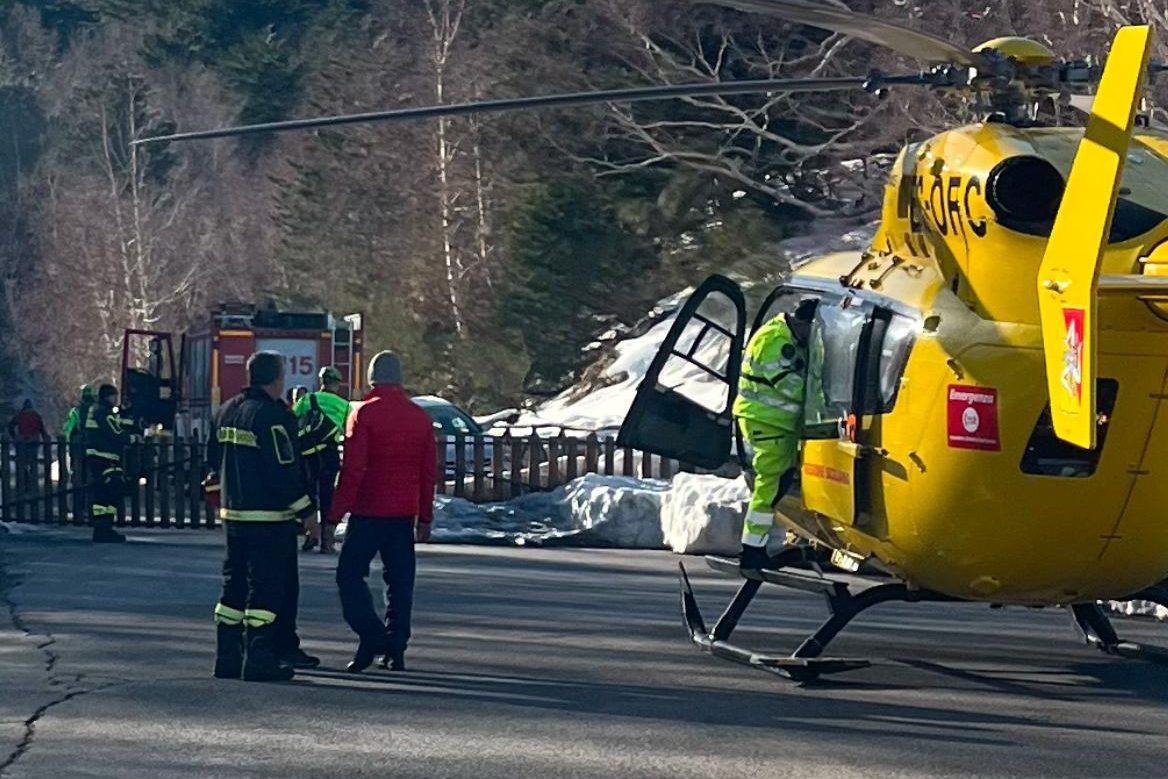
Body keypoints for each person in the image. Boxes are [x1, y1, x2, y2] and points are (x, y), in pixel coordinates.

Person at [206, 352, 317, 682]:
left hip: (233, 517)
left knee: (233, 586)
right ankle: (259, 658)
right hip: (269, 519)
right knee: (265, 591)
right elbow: (282, 470)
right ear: (277, 379)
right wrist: (307, 512)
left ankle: (227, 657)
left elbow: (214, 461)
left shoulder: (225, 411)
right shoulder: (272, 416)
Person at [329, 351, 436, 673]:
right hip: (402, 514)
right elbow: (428, 473)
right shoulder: (419, 418)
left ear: (372, 379)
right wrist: (425, 517)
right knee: (400, 583)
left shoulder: (363, 415)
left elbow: (353, 470)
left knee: (349, 575)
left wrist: (334, 514)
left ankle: (371, 634)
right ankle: (395, 647)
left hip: (368, 511)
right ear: (400, 379)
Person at [732, 299, 816, 574]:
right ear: (802, 324)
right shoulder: (775, 342)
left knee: (776, 482)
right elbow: (791, 387)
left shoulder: (782, 334)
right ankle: (753, 551)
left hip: (774, 423)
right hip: (767, 423)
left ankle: (755, 548)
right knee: (770, 483)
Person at [294, 367, 350, 554]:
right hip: (329, 454)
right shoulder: (344, 405)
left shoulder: (307, 400)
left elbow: (292, 421)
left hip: (307, 453)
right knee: (328, 495)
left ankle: (311, 533)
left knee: (308, 493)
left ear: (321, 382)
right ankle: (327, 541)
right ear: (337, 383)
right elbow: (349, 431)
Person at [84, 385, 133, 544]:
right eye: (113, 396)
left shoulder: (97, 410)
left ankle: (102, 527)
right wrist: (132, 438)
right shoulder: (103, 413)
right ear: (107, 397)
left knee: (104, 493)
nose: (115, 399)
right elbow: (115, 433)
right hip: (105, 457)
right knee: (111, 490)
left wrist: (124, 413)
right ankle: (104, 528)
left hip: (99, 457)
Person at [8, 399, 49, 495]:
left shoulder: (20, 415)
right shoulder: (36, 416)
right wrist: (45, 438)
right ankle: (33, 485)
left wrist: (15, 436)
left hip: (22, 442)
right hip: (33, 441)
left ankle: (24, 484)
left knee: (22, 465)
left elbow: (10, 426)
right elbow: (42, 429)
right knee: (32, 463)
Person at [63, 385, 96, 475]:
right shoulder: (99, 409)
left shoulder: (76, 410)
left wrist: (67, 440)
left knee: (78, 464)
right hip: (95, 442)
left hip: (79, 440)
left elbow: (70, 427)